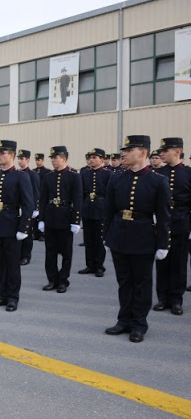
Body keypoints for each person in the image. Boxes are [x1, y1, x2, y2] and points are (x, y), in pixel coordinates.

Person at [104, 135, 171, 343]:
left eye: (129, 150)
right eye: (124, 150)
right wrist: (107, 236)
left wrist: (163, 244)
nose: (124, 153)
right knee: (124, 282)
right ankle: (123, 320)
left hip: (143, 237)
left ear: (142, 152)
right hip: (120, 236)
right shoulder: (116, 178)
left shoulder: (158, 181)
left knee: (142, 283)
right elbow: (109, 211)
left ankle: (139, 324)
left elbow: (163, 215)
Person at [0, 140, 33, 311]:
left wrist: (23, 228)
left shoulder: (21, 176)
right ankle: (2, 294)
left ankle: (13, 297)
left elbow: (28, 204)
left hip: (12, 226)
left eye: (2, 153)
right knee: (0, 263)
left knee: (12, 264)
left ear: (11, 155)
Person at [153, 138, 190, 316]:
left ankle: (176, 299)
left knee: (179, 263)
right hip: (161, 222)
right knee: (162, 262)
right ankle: (162, 297)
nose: (162, 153)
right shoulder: (157, 173)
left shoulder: (188, 173)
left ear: (177, 151)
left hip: (181, 222)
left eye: (165, 150)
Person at [38, 146, 82, 293]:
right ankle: (52, 279)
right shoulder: (48, 176)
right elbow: (43, 199)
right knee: (50, 251)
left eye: (54, 157)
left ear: (63, 158)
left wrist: (76, 220)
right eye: (51, 158)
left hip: (65, 216)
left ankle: (63, 280)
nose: (52, 160)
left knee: (66, 252)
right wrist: (41, 219)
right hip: (51, 216)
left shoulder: (74, 176)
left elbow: (77, 199)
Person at [77, 148, 111, 277]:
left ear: (102, 159)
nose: (91, 160)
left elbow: (110, 194)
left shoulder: (108, 174)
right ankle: (90, 264)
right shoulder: (84, 174)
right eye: (90, 157)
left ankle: (99, 266)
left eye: (95, 157)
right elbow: (81, 193)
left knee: (99, 239)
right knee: (88, 239)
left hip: (101, 208)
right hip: (87, 208)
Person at [17, 149, 40, 266]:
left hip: (28, 208)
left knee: (27, 232)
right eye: (19, 158)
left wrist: (35, 208)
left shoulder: (32, 174)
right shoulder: (16, 173)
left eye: (22, 159)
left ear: (27, 160)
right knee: (18, 231)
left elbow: (36, 192)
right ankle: (18, 254)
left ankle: (26, 255)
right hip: (17, 208)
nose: (20, 161)